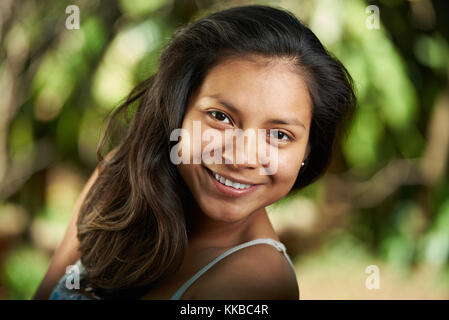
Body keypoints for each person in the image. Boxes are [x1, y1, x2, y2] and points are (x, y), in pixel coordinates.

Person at [33, 4, 356, 300]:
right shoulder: (119, 175)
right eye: (221, 117)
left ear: (308, 151)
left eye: (280, 135)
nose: (241, 157)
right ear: (178, 111)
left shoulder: (257, 284)